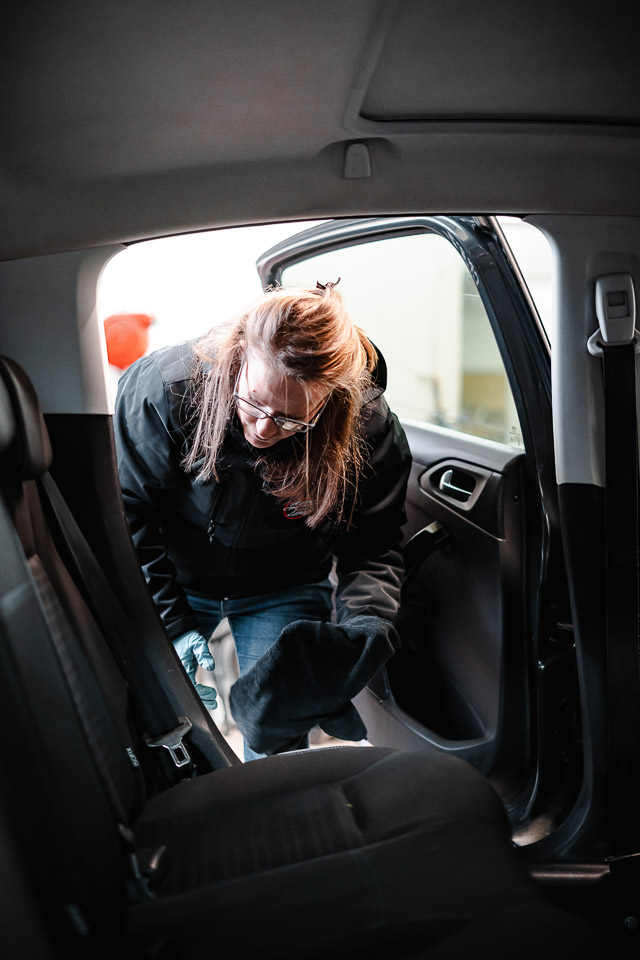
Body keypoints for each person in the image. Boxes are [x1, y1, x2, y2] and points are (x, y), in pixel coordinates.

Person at [113, 282, 411, 759]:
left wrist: (364, 626)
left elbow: (373, 543)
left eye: (293, 419)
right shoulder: (165, 389)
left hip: (283, 578)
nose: (265, 428)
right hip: (176, 571)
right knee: (148, 715)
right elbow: (130, 513)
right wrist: (170, 620)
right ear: (240, 358)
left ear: (330, 402)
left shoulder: (368, 429)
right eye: (253, 401)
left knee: (275, 736)